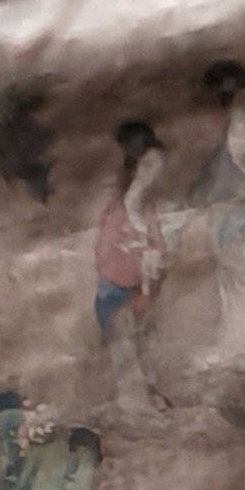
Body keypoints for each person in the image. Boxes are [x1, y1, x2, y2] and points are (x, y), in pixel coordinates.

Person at [181, 60, 245, 370]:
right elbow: (202, 191)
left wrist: (244, 209)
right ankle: (234, 344)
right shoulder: (222, 153)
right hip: (223, 227)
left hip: (242, 226)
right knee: (232, 284)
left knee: (244, 282)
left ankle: (244, 342)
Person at [92, 116, 172, 409]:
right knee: (125, 346)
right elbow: (103, 258)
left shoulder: (146, 211)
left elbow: (160, 248)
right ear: (134, 166)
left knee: (145, 343)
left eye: (157, 167)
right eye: (148, 166)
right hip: (114, 294)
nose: (153, 174)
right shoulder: (116, 211)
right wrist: (135, 251)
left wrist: (154, 258)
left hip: (141, 292)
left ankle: (151, 392)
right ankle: (134, 399)